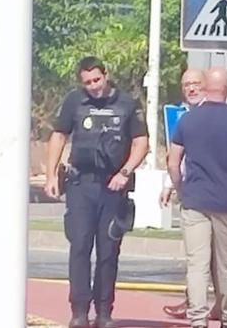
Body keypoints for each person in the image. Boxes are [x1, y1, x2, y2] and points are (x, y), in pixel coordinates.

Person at [44, 57, 149, 328]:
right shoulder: (74, 102)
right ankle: (79, 311)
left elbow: (141, 142)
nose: (93, 86)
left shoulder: (126, 103)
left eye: (97, 80)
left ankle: (104, 311)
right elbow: (58, 135)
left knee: (108, 250)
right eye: (87, 82)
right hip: (80, 185)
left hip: (112, 186)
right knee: (79, 247)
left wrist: (124, 172)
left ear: (106, 75)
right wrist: (50, 174)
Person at [163, 67, 227, 328]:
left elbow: (173, 161)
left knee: (196, 265)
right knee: (226, 266)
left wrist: (180, 188)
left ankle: (198, 320)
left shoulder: (188, 121)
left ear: (206, 87)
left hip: (195, 202)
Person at [163, 69, 221, 322]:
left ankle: (221, 305)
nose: (191, 89)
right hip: (193, 194)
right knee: (198, 256)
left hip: (219, 195)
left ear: (206, 86)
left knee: (219, 258)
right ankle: (195, 304)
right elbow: (176, 159)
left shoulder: (220, 116)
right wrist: (171, 185)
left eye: (196, 84)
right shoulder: (183, 117)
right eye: (187, 85)